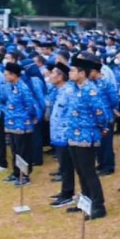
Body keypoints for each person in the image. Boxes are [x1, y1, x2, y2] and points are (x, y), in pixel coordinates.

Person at [65, 55, 109, 220]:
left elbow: (101, 113)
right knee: (80, 171)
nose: (70, 73)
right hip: (74, 136)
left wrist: (103, 128)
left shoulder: (90, 90)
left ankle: (98, 206)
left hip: (86, 137)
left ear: (82, 73)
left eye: (73, 71)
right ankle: (85, 202)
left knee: (89, 172)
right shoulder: (76, 88)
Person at [3, 62, 38, 185]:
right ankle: (16, 172)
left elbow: (29, 105)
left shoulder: (23, 87)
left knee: (23, 151)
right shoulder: (10, 87)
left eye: (7, 74)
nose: (5, 76)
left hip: (22, 124)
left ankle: (24, 175)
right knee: (14, 150)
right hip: (11, 124)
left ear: (14, 75)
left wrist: (31, 117)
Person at [47, 63, 76, 208]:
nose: (50, 76)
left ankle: (68, 194)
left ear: (60, 77)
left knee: (66, 166)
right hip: (57, 135)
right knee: (63, 166)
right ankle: (65, 191)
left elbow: (72, 116)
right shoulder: (59, 90)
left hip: (65, 136)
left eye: (53, 73)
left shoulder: (69, 92)